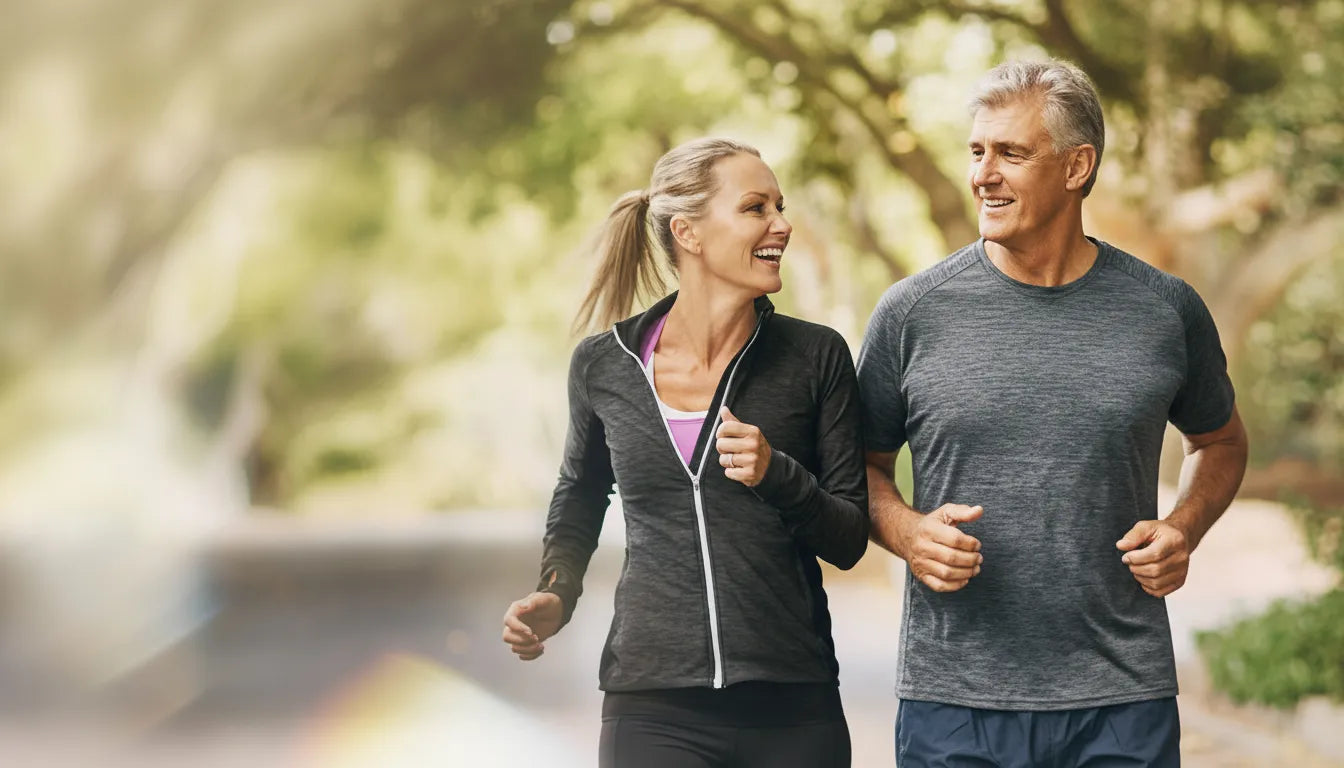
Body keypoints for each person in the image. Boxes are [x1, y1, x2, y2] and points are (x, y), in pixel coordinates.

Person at [857, 60, 1249, 767]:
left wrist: (1182, 529)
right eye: (977, 151)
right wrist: (908, 532)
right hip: (955, 701)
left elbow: (1219, 440)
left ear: (1077, 167)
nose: (983, 174)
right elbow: (858, 468)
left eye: (1010, 152)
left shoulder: (1163, 311)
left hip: (1122, 700)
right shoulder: (912, 313)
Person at [501, 137, 869, 768]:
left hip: (791, 703)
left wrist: (776, 473)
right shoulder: (604, 365)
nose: (782, 224)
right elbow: (580, 495)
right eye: (756, 208)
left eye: (780, 206)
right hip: (653, 703)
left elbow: (849, 538)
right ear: (689, 233)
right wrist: (557, 590)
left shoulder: (816, 356)